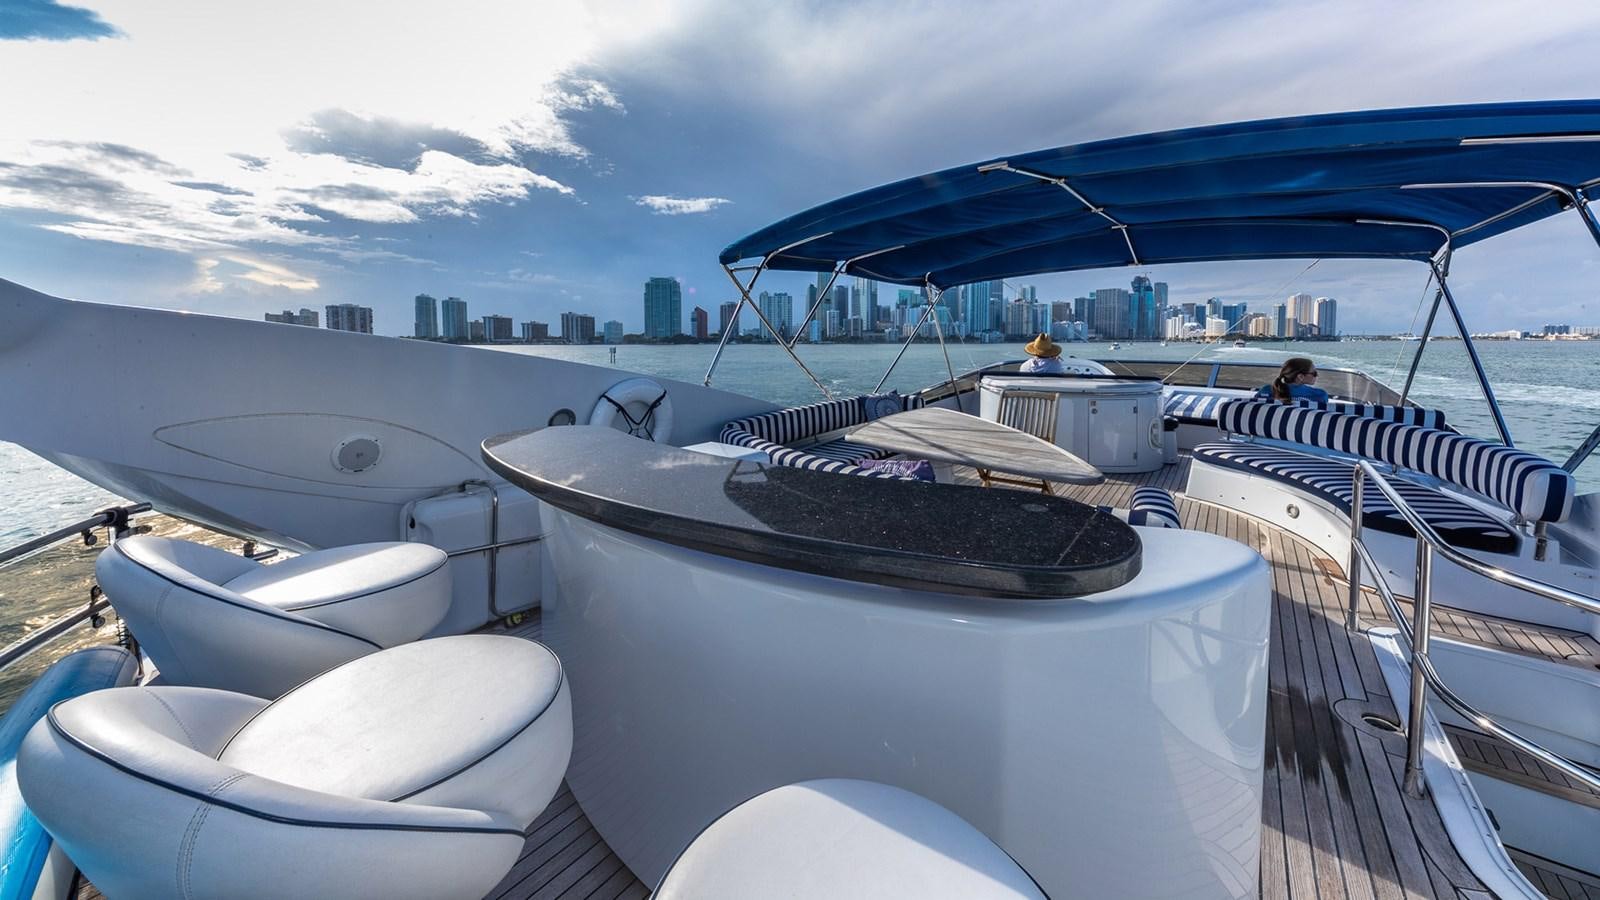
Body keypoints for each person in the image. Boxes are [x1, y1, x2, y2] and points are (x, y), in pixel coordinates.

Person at [1256, 356, 1329, 403]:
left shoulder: (1265, 391)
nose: (1317, 375)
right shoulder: (1319, 396)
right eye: (1314, 373)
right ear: (1300, 376)